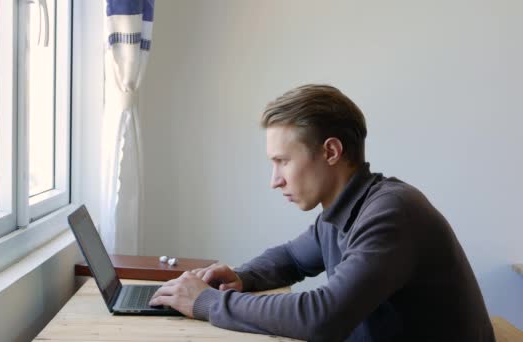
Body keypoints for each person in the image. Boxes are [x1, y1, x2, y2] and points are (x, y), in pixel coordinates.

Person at [149, 84, 495, 341]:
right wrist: (241, 276)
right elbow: (292, 259)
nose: (275, 180)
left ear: (331, 151)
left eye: (282, 161)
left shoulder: (391, 212)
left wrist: (208, 303)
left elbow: (323, 316)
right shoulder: (343, 211)